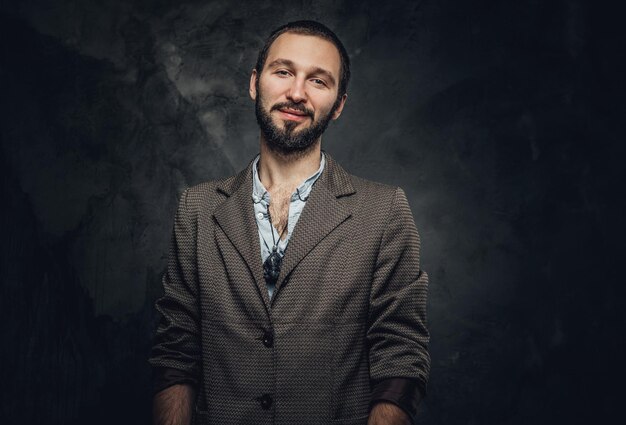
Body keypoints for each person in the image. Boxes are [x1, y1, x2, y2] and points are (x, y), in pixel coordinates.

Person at [149, 20, 430, 425]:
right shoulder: (196, 209)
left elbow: (400, 360)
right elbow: (176, 355)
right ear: (254, 83)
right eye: (283, 72)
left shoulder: (384, 212)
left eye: (318, 81)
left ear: (338, 104)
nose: (296, 92)